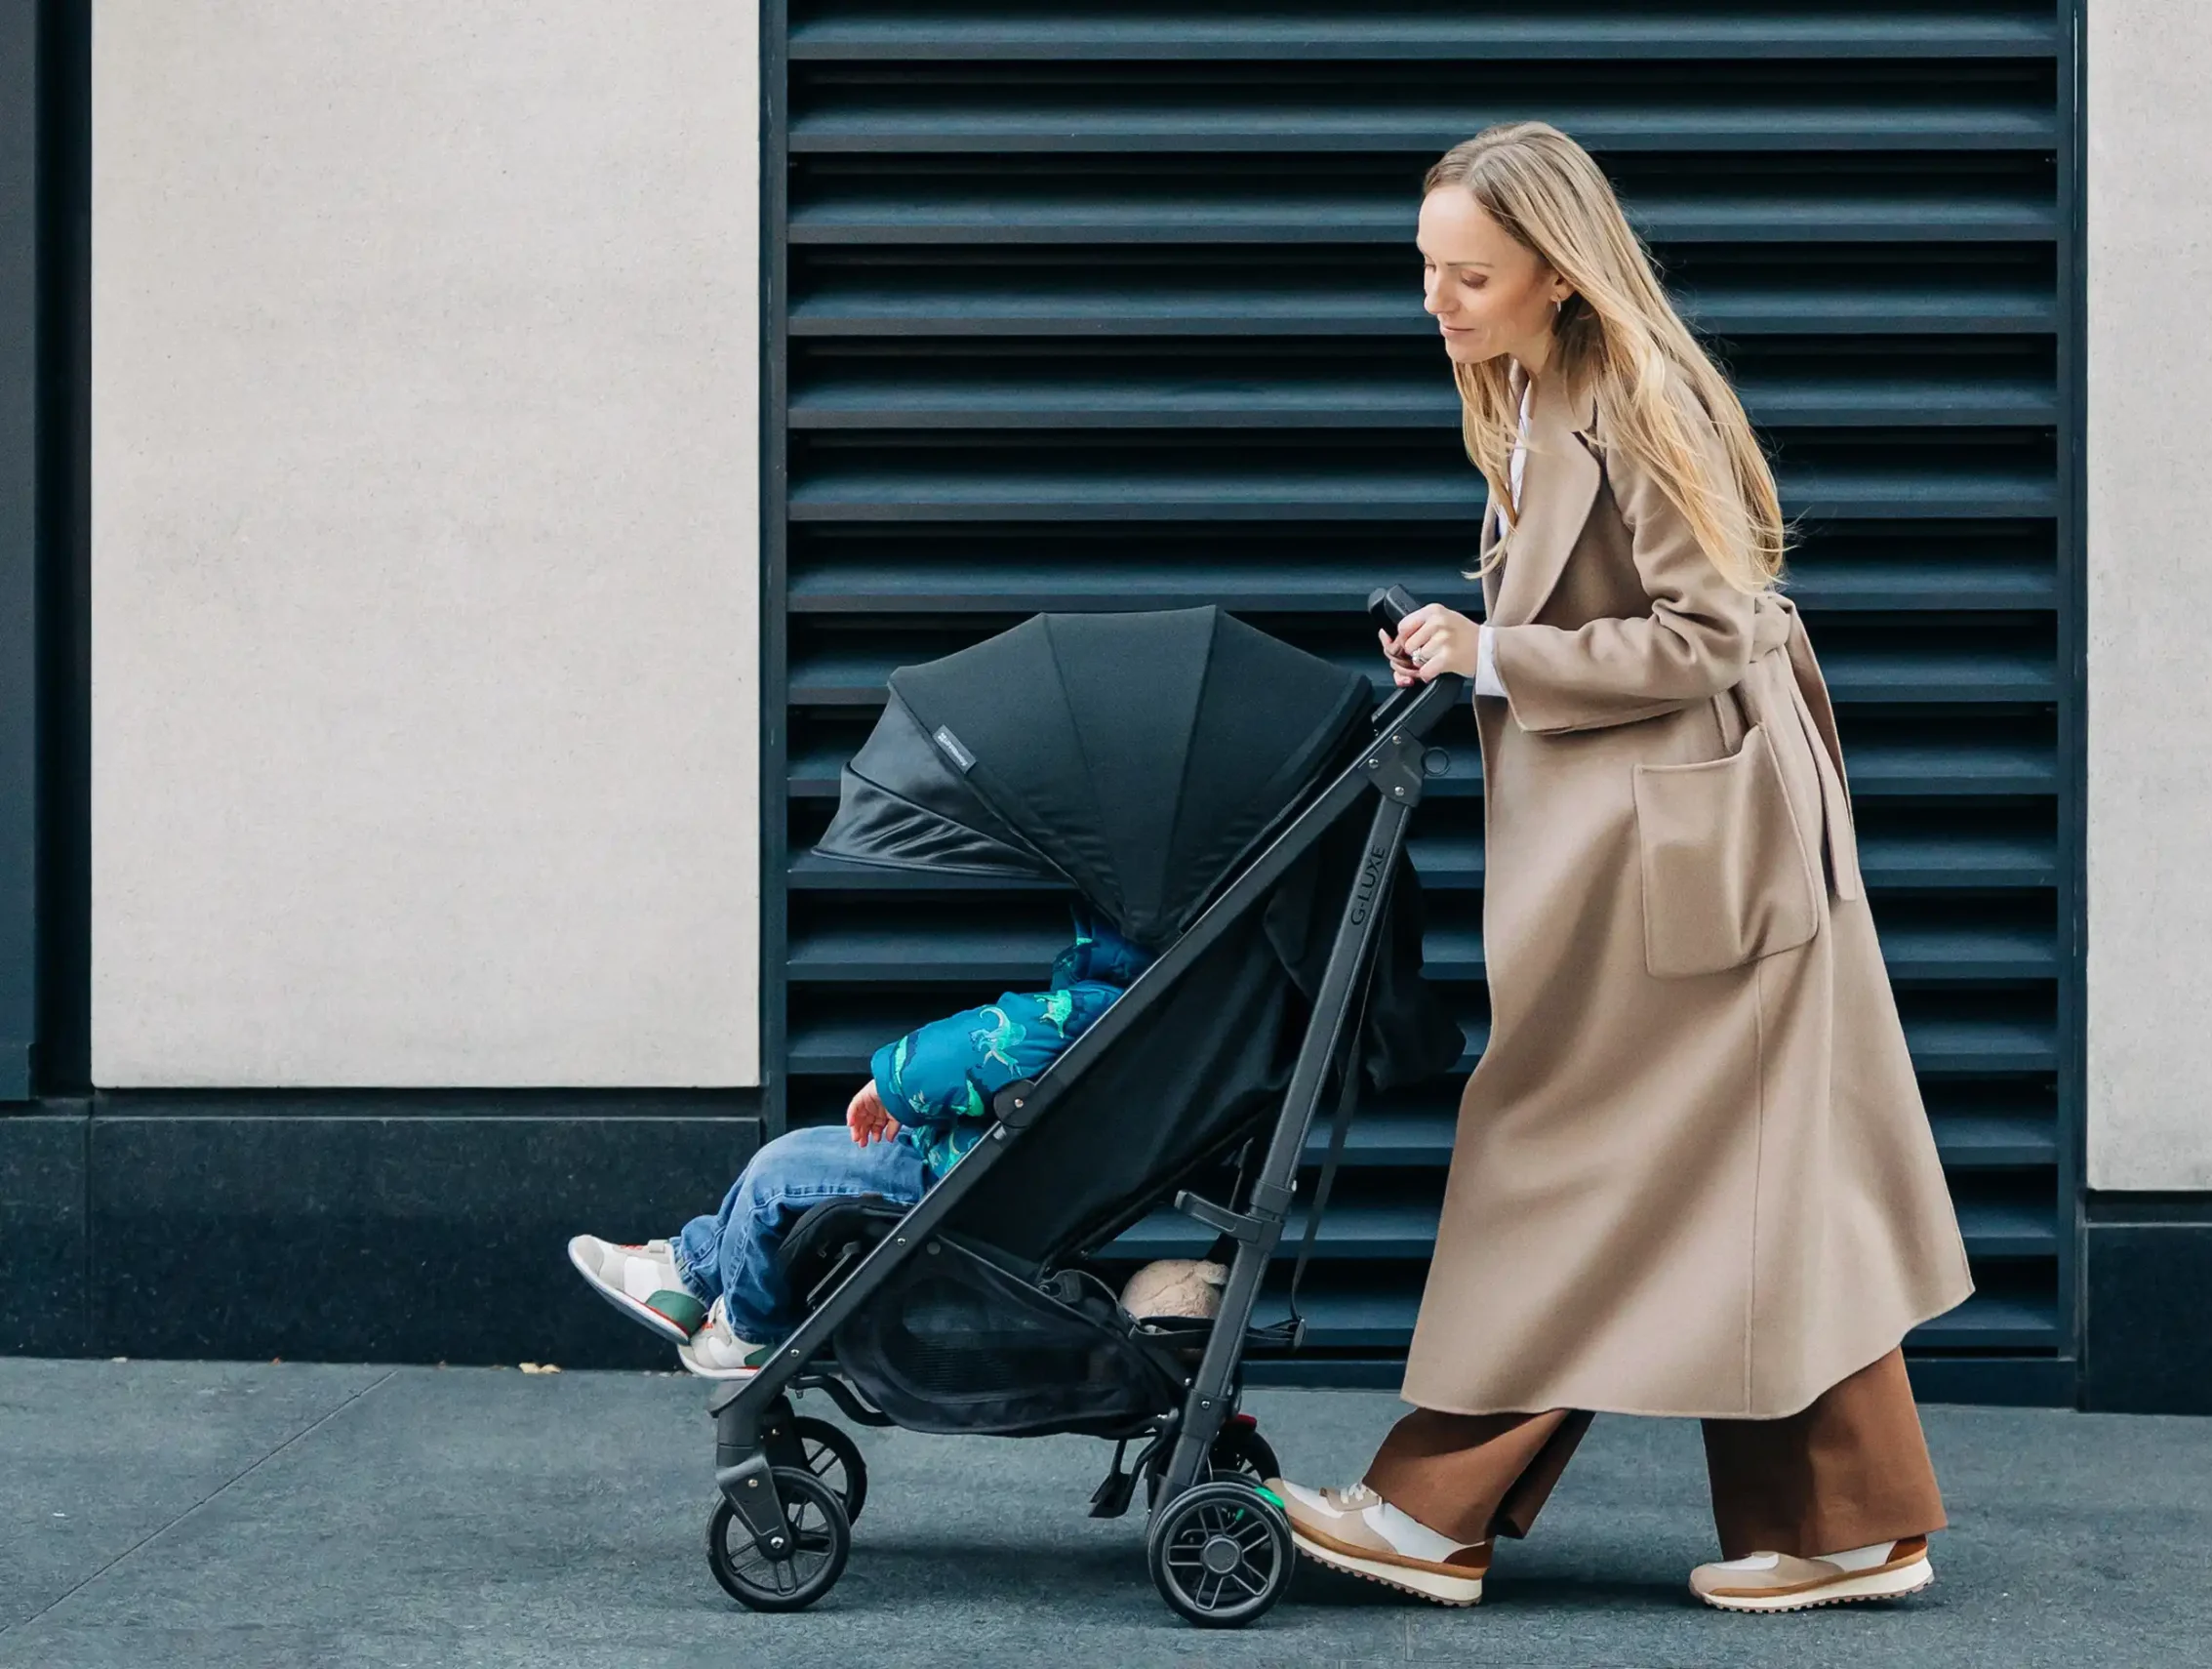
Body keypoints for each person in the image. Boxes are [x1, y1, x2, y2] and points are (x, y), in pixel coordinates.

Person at [1266, 123, 1974, 1614]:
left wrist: (1500, 654)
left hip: (1697, 860)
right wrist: (1476, 637)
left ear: (1558, 275)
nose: (1437, 302)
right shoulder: (1532, 390)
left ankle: (1430, 1504)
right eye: (1428, 270)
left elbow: (1715, 627)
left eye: (1470, 275)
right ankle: (1854, 1523)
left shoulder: (1637, 399)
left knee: (1565, 1156)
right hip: (1660, 852)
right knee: (1746, 1178)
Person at [568, 905, 1154, 1378]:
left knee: (779, 1177)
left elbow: (976, 1044)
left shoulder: (1101, 1008)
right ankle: (691, 1273)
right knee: (789, 1159)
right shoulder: (1144, 1017)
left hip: (965, 1182)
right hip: (972, 1161)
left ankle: (751, 1332)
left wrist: (890, 1083)